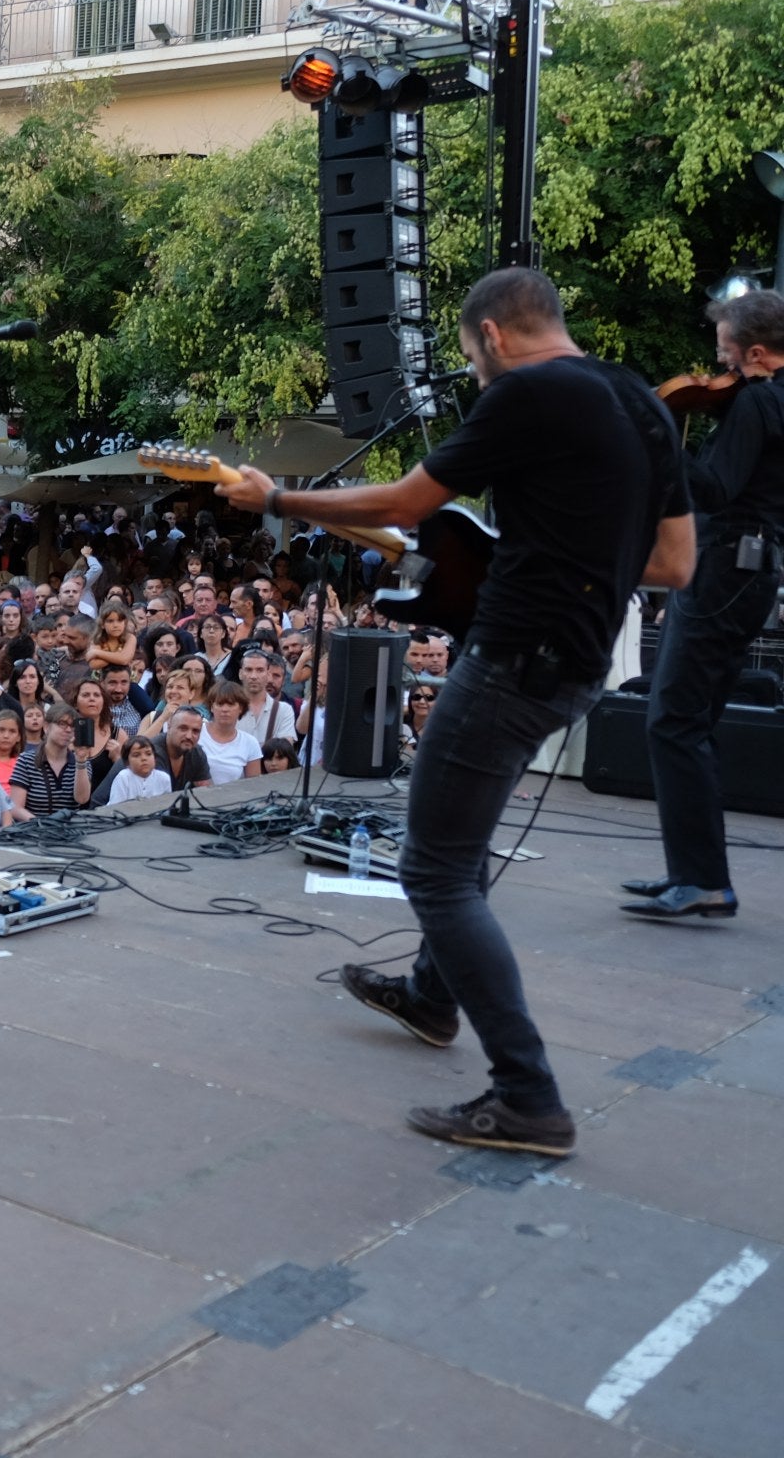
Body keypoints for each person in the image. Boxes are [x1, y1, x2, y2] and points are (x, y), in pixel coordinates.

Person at [219, 266, 694, 1158]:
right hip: (580, 662)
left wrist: (275, 500)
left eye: (473, 355)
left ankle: (528, 1097)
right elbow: (676, 564)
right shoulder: (642, 403)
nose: (477, 371)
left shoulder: (526, 393)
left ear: (494, 338)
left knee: (434, 870)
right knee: (461, 840)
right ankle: (434, 998)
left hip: (516, 657)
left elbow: (404, 502)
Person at [631, 288, 784, 919]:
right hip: (749, 569)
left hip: (727, 565)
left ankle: (703, 880)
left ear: (753, 351)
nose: (715, 367)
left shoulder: (754, 401)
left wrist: (663, 440)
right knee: (687, 718)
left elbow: (717, 489)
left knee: (674, 718)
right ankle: (693, 873)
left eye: (723, 353)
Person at [8, 704, 93, 820]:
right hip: (33, 830)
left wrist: (81, 760)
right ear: (46, 727)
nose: (68, 729)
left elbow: (82, 799)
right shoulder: (26, 761)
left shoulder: (82, 763)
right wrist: (41, 825)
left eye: (73, 726)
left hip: (69, 831)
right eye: (62, 724)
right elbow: (15, 808)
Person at [105, 735, 173, 804]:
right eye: (136, 755)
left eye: (148, 754)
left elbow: (166, 808)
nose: (144, 758)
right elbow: (115, 808)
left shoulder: (164, 778)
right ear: (127, 762)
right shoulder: (123, 778)